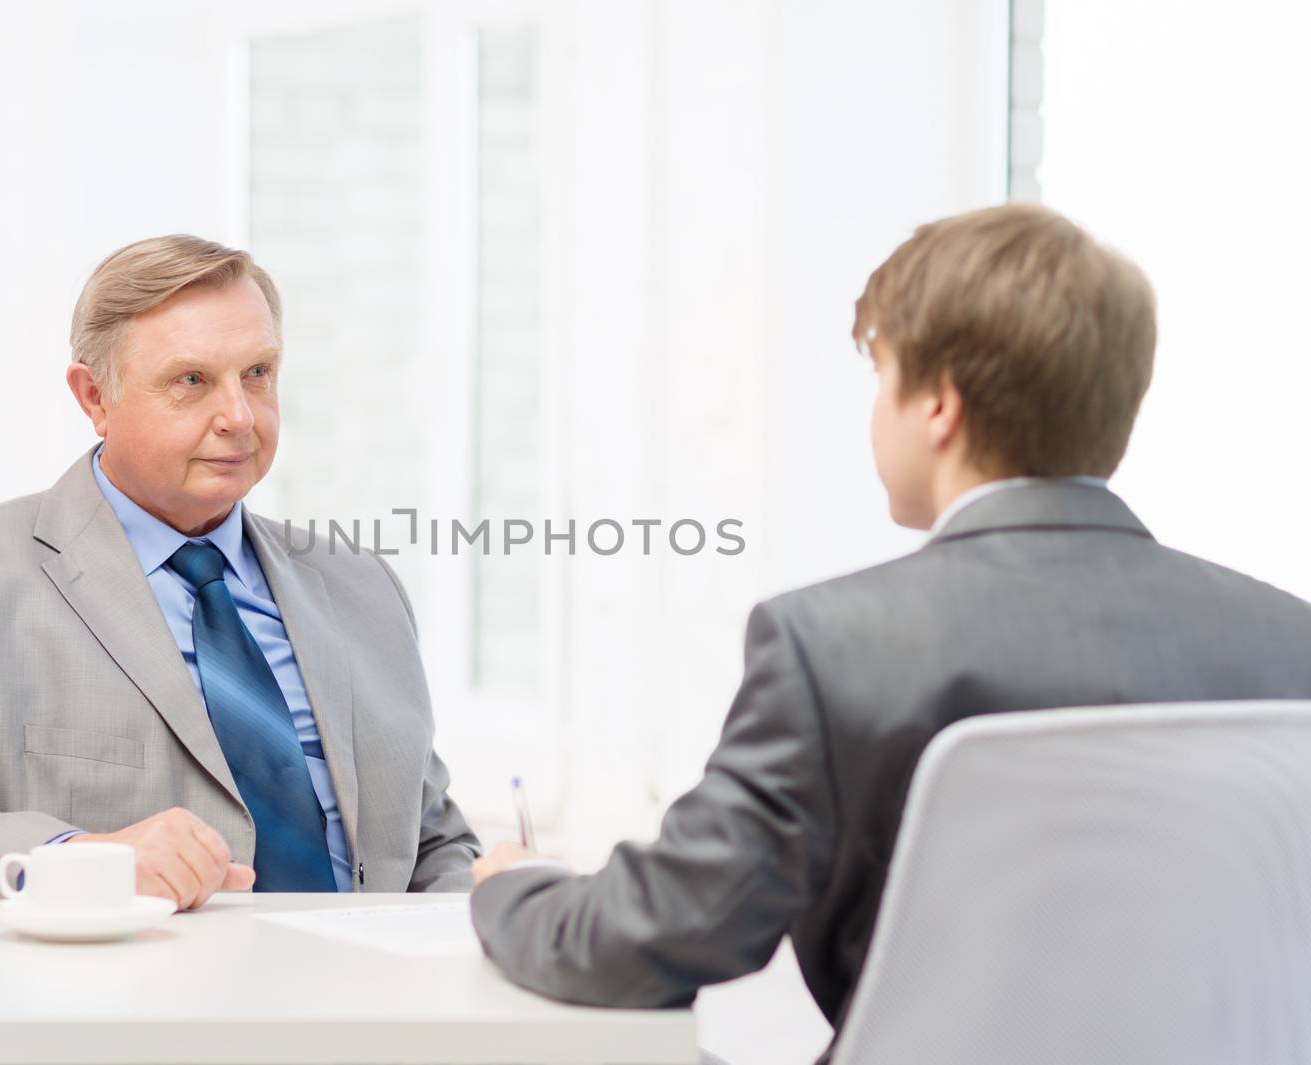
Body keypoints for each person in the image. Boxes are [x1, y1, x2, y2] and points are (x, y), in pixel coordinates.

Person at [468, 204, 1311, 1055]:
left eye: (882, 377)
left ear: (938, 403)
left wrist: (519, 887)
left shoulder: (831, 648)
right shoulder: (1291, 644)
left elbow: (657, 934)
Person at [0, 235, 480, 908]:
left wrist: (498, 904)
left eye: (258, 373)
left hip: (371, 1018)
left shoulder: (361, 587)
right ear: (94, 399)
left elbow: (431, 844)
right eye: (192, 381)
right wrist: (74, 858)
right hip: (124, 1019)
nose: (239, 415)